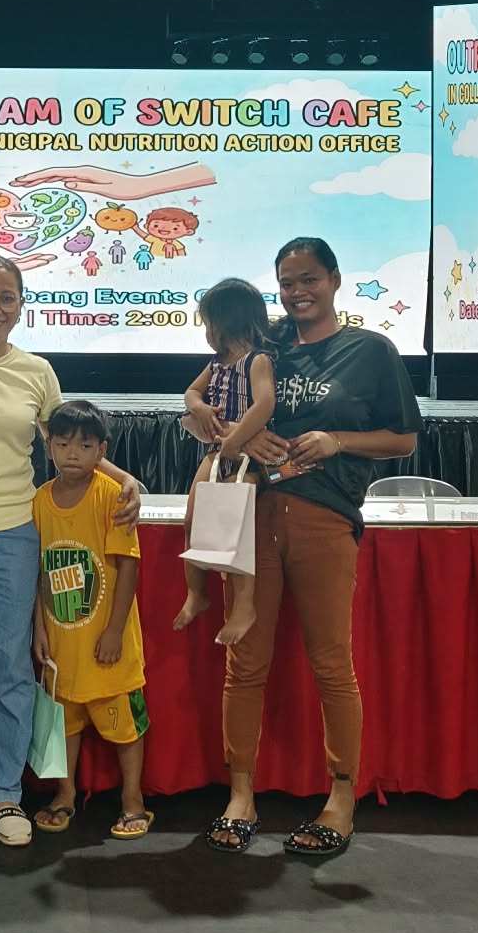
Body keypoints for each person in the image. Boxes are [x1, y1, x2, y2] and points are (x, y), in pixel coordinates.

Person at [0, 253, 142, 847]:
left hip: (14, 534)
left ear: (20, 305)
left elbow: (67, 439)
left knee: (12, 672)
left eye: (6, 298)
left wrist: (124, 480)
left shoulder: (36, 371)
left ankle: (6, 795)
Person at [208, 237, 420, 861]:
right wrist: (233, 433)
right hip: (250, 513)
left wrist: (337, 441)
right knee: (244, 662)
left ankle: (341, 799)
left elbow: (403, 439)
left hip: (325, 520)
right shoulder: (264, 343)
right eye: (287, 282)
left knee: (331, 664)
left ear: (334, 279)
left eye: (309, 279)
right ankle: (240, 797)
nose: (297, 292)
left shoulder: (370, 350)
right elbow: (201, 406)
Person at [31, 400, 151, 838]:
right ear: (49, 447)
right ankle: (64, 795)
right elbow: (37, 572)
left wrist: (115, 630)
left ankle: (133, 801)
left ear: (102, 450)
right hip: (62, 647)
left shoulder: (112, 497)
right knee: (63, 723)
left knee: (125, 725)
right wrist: (38, 627)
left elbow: (128, 564)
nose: (73, 454)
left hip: (107, 645)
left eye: (84, 446)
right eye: (63, 444)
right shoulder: (39, 501)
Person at [176, 277, 278, 647]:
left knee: (236, 526)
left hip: (247, 456)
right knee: (193, 516)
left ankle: (245, 605)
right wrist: (201, 408)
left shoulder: (257, 360)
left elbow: (264, 404)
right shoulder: (216, 364)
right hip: (218, 452)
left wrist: (236, 440)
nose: (207, 332)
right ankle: (196, 592)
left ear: (227, 323)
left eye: (209, 324)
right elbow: (191, 393)